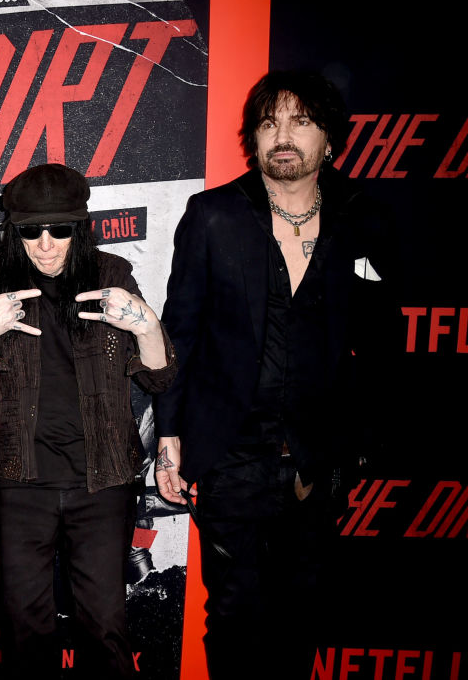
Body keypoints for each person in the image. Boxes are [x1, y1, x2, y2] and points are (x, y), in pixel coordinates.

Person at [153, 71, 391, 679]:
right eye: (268, 123)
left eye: (300, 121)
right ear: (253, 139)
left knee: (301, 613)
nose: (282, 136)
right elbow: (179, 332)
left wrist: (354, 443)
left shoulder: (361, 217)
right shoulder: (213, 216)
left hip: (317, 454)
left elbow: (379, 342)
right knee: (233, 616)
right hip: (231, 452)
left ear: (330, 139)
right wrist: (169, 438)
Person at [0, 163, 176, 678]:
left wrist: (146, 329)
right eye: (31, 230)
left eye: (60, 230)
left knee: (104, 626)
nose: (46, 244)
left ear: (81, 227)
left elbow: (160, 379)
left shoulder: (113, 274)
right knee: (24, 631)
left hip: (104, 482)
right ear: (15, 231)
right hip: (21, 482)